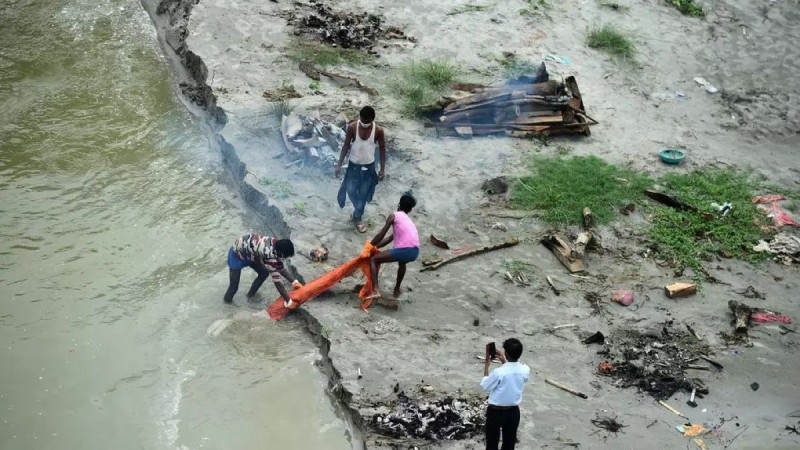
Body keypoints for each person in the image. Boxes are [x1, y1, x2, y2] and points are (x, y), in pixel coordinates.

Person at [334, 106, 387, 233]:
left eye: (366, 120)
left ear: (372, 119)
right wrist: (339, 164)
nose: (363, 122)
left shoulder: (378, 130)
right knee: (351, 191)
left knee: (363, 194)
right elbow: (346, 145)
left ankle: (357, 217)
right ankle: (358, 209)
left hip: (368, 168)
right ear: (360, 116)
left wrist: (382, 169)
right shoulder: (352, 127)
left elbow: (382, 149)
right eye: (362, 119)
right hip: (353, 167)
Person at [366, 193, 419, 306]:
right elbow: (390, 238)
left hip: (405, 249)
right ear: (410, 210)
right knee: (402, 263)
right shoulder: (407, 220)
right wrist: (375, 247)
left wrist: (369, 246)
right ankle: (397, 289)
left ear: (399, 204)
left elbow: (382, 234)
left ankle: (375, 290)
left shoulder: (394, 215)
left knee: (374, 260)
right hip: (414, 252)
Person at [223, 234, 302, 307]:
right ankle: (227, 305)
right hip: (237, 254)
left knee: (263, 273)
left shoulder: (276, 244)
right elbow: (278, 283)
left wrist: (294, 282)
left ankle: (250, 296)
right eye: (285, 256)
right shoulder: (268, 254)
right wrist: (289, 302)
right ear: (280, 253)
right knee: (233, 287)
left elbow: (280, 267)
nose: (283, 258)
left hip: (251, 253)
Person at [480, 338, 530, 450]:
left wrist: (486, 366)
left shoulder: (499, 372)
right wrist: (505, 362)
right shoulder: (525, 369)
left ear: (506, 353)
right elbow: (513, 375)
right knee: (509, 444)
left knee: (492, 444)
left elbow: (485, 386)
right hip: (513, 412)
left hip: (495, 412)